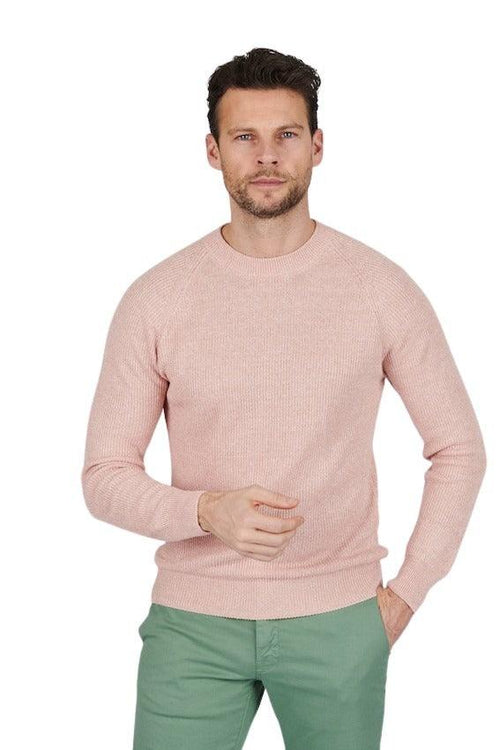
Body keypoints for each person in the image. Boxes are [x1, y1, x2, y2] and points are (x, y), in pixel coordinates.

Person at [81, 47, 487, 750]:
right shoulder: (157, 299)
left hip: (340, 621)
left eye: (286, 135)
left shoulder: (379, 288)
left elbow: (460, 450)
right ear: (213, 151)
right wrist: (204, 511)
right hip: (193, 627)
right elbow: (103, 476)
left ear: (317, 146)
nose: (266, 156)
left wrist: (405, 595)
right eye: (245, 136)